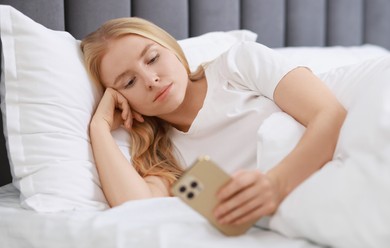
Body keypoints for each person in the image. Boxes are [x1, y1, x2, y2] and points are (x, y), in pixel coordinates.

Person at [80, 17, 346, 227]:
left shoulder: (238, 64)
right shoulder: (164, 156)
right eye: (129, 82)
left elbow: (329, 114)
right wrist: (99, 128)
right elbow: (136, 208)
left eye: (152, 58)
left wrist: (276, 185)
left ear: (172, 48)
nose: (151, 80)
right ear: (119, 98)